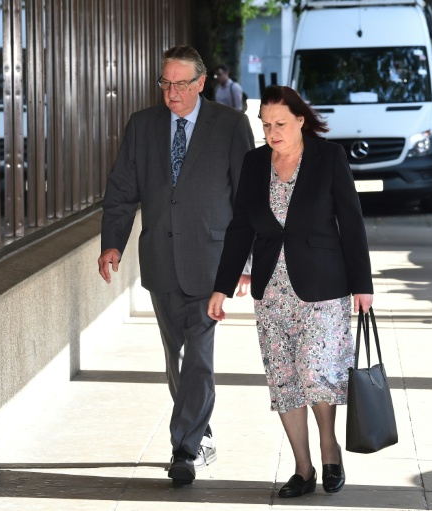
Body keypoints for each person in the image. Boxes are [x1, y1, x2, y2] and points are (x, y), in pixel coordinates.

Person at [97, 45, 255, 485]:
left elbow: (247, 197)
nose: (172, 93)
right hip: (161, 261)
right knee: (178, 355)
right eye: (165, 83)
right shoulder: (142, 126)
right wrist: (113, 243)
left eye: (181, 84)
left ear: (201, 83)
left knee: (199, 355)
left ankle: (184, 448)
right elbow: (123, 189)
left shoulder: (230, 125)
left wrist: (246, 262)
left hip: (212, 261)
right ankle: (198, 428)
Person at [207, 85, 374, 498]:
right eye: (265, 125)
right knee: (284, 381)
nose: (272, 131)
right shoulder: (254, 163)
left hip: (322, 287)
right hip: (272, 290)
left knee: (317, 373)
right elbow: (241, 228)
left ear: (301, 120)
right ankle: (303, 469)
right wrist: (221, 287)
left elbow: (351, 224)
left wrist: (362, 286)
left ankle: (329, 449)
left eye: (280, 123)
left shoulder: (328, 158)